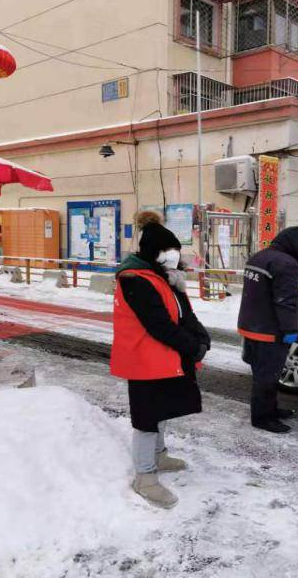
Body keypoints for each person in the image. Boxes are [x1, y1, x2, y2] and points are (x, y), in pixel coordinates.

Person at [110, 211, 210, 509]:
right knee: (146, 419)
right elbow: (159, 325)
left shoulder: (163, 277)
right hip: (143, 358)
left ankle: (159, 454)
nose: (175, 255)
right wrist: (192, 347)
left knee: (162, 409)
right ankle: (145, 476)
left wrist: (202, 337)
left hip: (163, 357)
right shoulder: (136, 280)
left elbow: (184, 314)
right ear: (154, 253)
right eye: (170, 251)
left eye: (176, 250)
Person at [238, 227, 298, 434]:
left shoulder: (259, 257)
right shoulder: (286, 265)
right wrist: (290, 328)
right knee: (268, 376)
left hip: (251, 325)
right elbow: (286, 302)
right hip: (269, 330)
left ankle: (269, 409)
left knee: (262, 374)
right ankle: (262, 418)